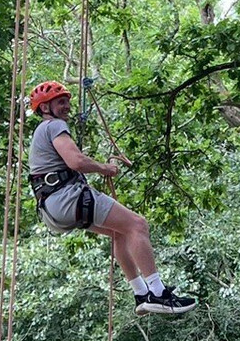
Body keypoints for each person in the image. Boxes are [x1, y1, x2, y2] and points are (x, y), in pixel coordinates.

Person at [27, 81, 197, 316]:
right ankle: (158, 293)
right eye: (60, 102)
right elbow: (76, 162)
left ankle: (140, 293)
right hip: (66, 197)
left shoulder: (42, 133)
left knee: (119, 232)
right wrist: (104, 168)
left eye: (67, 101)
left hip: (53, 207)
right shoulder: (53, 126)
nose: (66, 106)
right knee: (137, 224)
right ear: (44, 108)